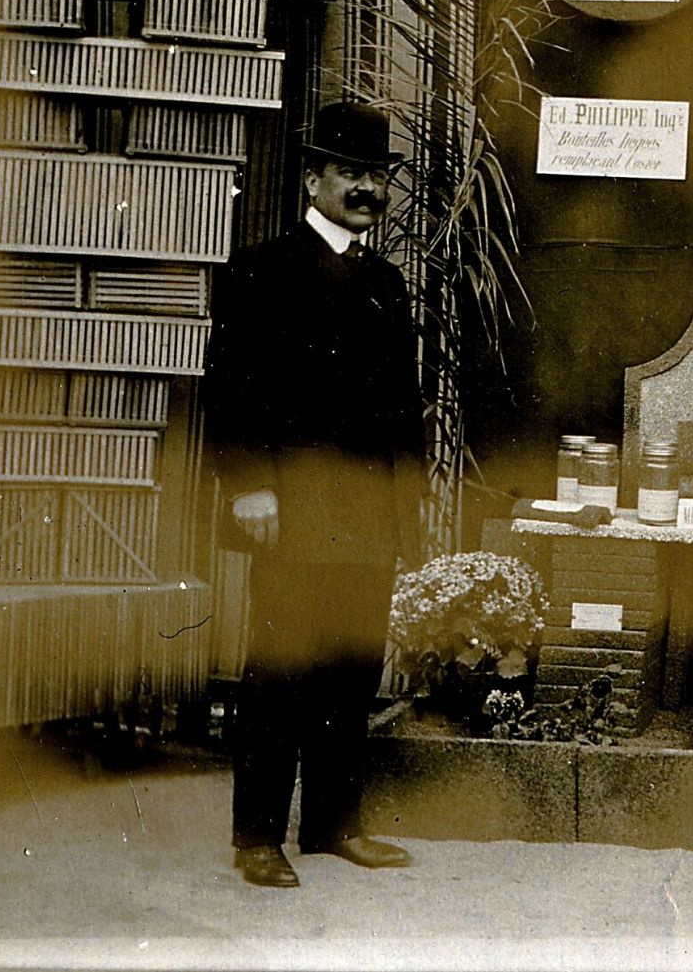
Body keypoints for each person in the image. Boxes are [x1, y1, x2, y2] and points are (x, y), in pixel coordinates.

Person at [204, 100, 429, 889]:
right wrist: (250, 487)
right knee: (281, 665)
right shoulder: (260, 269)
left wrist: (407, 507)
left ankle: (334, 824)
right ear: (313, 179)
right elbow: (231, 390)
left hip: (366, 512)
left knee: (351, 668)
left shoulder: (386, 284)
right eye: (350, 173)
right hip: (291, 506)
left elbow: (403, 409)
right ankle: (257, 836)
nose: (367, 189)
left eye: (378, 176)